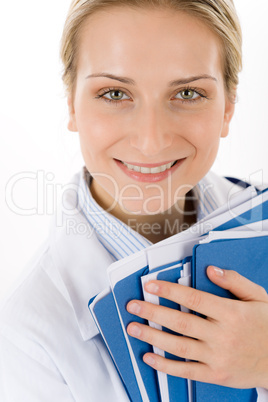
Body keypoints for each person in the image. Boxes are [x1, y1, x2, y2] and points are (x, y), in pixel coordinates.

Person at [0, 0, 268, 400]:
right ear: (71, 103)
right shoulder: (27, 341)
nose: (150, 139)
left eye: (189, 92)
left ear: (229, 107)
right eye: (114, 93)